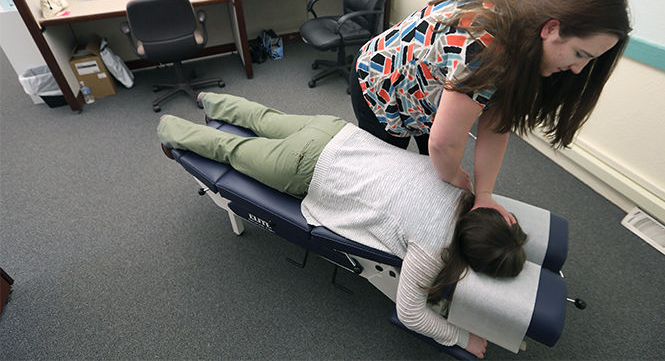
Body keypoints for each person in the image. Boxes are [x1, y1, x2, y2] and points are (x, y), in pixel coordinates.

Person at [158, 93, 528, 358]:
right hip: (303, 167)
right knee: (230, 151)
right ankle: (169, 129)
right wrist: (463, 338)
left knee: (263, 118)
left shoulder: (461, 185)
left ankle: (211, 100)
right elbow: (410, 313)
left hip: (337, 133)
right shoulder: (433, 252)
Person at [349, 0, 631, 220]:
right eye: (580, 54)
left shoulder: (526, 36)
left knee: (437, 176)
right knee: (388, 172)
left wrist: (483, 194)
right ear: (551, 29)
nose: (578, 69)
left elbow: (497, 124)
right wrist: (453, 175)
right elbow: (443, 143)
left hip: (428, 93)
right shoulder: (488, 49)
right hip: (378, 85)